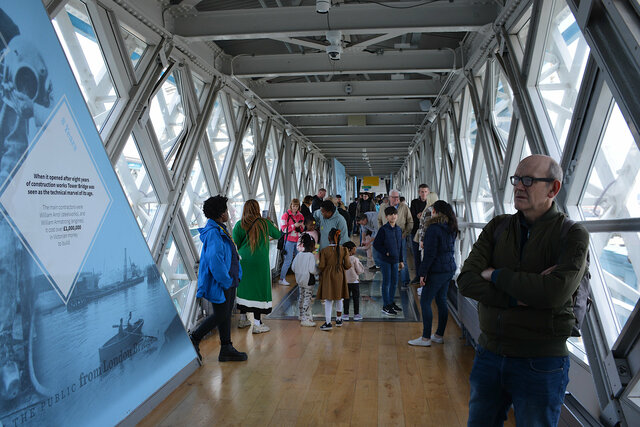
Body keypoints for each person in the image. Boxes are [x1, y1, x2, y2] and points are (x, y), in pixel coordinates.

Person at [458, 155, 589, 426]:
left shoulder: (572, 235)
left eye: (528, 180)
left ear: (553, 189)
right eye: (516, 179)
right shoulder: (498, 226)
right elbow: (467, 280)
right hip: (489, 354)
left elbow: (552, 294)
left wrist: (495, 274)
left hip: (541, 362)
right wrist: (518, 297)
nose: (518, 186)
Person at [189, 195, 247, 363]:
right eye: (226, 210)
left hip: (227, 280)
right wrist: (226, 281)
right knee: (221, 315)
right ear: (221, 213)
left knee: (225, 314)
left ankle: (226, 347)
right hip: (222, 282)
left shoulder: (219, 229)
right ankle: (195, 337)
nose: (228, 213)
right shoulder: (214, 233)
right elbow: (215, 260)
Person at [408, 200, 458, 347]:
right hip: (449, 268)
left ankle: (425, 338)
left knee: (425, 301)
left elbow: (430, 254)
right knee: (441, 300)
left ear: (435, 212)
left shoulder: (433, 228)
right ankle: (438, 335)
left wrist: (422, 274)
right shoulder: (451, 227)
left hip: (437, 270)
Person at [233, 199, 281, 334]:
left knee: (244, 288)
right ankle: (258, 324)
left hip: (244, 260)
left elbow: (236, 241)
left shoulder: (239, 224)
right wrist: (271, 222)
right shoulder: (264, 223)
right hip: (260, 261)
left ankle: (243, 319)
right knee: (259, 289)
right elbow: (278, 235)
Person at [317, 228, 352, 330]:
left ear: (328, 238)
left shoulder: (324, 251)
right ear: (340, 238)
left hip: (328, 276)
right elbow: (348, 265)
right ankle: (338, 319)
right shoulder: (344, 250)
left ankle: (328, 323)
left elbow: (322, 265)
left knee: (328, 299)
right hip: (340, 275)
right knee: (339, 298)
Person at [373, 206, 404, 316]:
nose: (393, 216)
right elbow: (376, 244)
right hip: (385, 260)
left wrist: (401, 260)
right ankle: (385, 305)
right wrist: (385, 252)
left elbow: (400, 246)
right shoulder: (383, 230)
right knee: (387, 282)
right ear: (386, 217)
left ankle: (391, 302)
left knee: (395, 282)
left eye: (395, 214)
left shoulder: (398, 229)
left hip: (395, 260)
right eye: (391, 215)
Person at [378, 190, 413, 286]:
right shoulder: (382, 207)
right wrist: (382, 233)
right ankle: (389, 280)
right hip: (386, 238)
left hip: (400, 237)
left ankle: (405, 281)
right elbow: (379, 220)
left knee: (402, 259)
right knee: (387, 258)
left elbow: (410, 222)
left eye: (397, 197)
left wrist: (405, 233)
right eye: (394, 197)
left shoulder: (404, 207)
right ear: (389, 197)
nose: (396, 199)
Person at [409, 184, 438, 283]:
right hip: (416, 232)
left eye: (426, 192)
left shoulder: (433, 207)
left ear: (429, 193)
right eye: (422, 191)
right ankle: (419, 275)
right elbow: (412, 216)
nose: (424, 194)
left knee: (427, 256)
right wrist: (418, 216)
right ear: (419, 192)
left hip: (427, 234)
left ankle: (425, 277)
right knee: (417, 256)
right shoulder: (415, 203)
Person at [292, 234, 318, 327]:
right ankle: (306, 319)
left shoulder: (299, 255)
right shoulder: (310, 256)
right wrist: (317, 271)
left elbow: (293, 267)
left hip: (299, 280)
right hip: (308, 281)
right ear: (312, 246)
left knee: (301, 297)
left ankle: (301, 315)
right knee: (307, 298)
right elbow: (312, 270)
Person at [279, 199, 305, 285]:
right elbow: (284, 229)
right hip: (289, 241)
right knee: (288, 260)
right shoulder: (285, 216)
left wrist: (301, 226)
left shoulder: (300, 216)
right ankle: (282, 279)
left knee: (298, 260)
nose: (295, 208)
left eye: (297, 206)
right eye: (294, 206)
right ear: (291, 205)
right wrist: (294, 225)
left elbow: (302, 229)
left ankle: (298, 278)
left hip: (298, 240)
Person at [342, 241, 365, 321]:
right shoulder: (355, 259)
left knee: (346, 298)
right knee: (356, 298)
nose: (355, 251)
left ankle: (345, 314)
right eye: (354, 249)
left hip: (345, 282)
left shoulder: (342, 259)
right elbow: (359, 270)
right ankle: (356, 314)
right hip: (354, 281)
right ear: (350, 250)